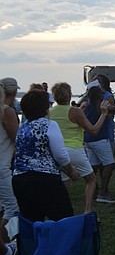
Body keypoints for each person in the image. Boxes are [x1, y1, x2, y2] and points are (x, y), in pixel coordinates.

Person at [12, 90, 80, 222]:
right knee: (63, 218)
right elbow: (60, 155)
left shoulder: (22, 128)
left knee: (31, 220)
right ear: (44, 108)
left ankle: (33, 242)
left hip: (20, 179)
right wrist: (71, 170)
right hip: (45, 178)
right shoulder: (49, 125)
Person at [51, 82, 107, 215]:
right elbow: (93, 130)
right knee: (91, 179)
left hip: (57, 152)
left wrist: (80, 110)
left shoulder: (50, 111)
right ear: (69, 95)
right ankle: (87, 210)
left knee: (64, 183)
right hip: (74, 149)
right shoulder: (75, 111)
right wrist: (103, 114)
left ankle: (62, 211)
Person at [79, 82, 115, 204]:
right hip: (100, 139)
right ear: (98, 95)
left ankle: (92, 189)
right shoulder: (99, 106)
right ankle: (103, 192)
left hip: (88, 140)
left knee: (94, 165)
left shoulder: (86, 107)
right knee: (109, 164)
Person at [0, 79, 20, 220]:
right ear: (14, 92)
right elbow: (17, 139)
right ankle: (7, 241)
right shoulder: (7, 111)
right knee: (12, 207)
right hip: (2, 167)